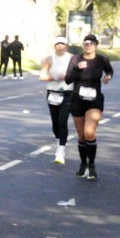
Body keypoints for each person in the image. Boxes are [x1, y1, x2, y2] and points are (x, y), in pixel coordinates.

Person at [65, 33, 113, 180]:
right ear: (83, 45)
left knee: (89, 132)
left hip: (94, 100)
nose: (88, 45)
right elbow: (68, 80)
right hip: (77, 100)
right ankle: (83, 164)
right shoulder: (76, 59)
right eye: (86, 43)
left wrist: (108, 77)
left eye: (91, 43)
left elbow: (109, 70)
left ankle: (91, 166)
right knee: (81, 135)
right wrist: (77, 69)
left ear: (96, 45)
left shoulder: (101, 59)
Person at [39, 36, 74, 164]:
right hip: (53, 93)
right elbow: (42, 76)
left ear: (66, 46)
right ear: (54, 46)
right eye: (58, 44)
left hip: (68, 92)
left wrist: (69, 77)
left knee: (62, 121)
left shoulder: (72, 58)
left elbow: (77, 74)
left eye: (62, 44)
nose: (60, 46)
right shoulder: (49, 58)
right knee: (55, 123)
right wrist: (55, 77)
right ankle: (59, 141)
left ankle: (61, 150)